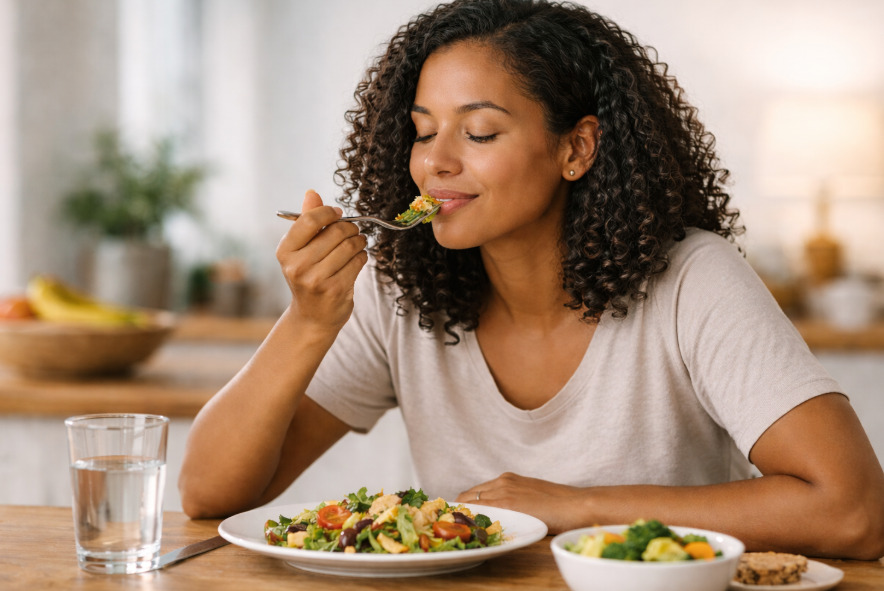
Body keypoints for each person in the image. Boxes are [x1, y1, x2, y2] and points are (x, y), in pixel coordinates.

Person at [179, 0, 884, 559]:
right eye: (424, 132)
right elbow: (209, 491)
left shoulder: (693, 282)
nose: (436, 163)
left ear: (575, 148)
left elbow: (854, 509)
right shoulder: (400, 291)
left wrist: (573, 506)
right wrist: (307, 320)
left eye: (479, 133)